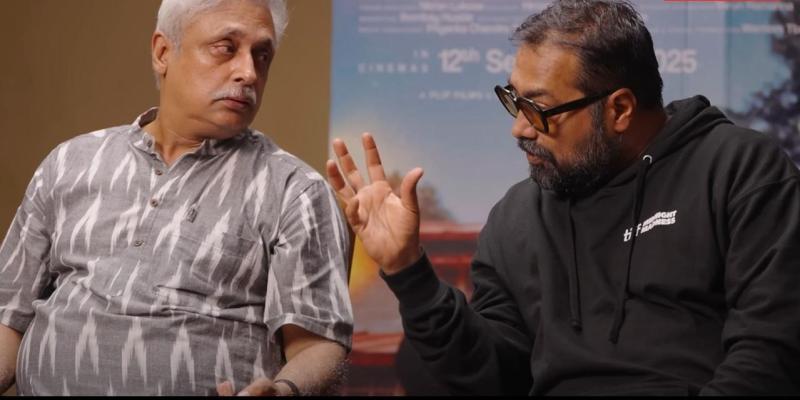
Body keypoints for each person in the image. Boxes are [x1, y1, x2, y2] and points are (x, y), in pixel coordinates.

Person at [326, 0, 800, 395]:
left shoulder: (739, 171)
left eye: (538, 109)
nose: (518, 128)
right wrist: (408, 271)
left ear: (619, 109)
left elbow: (769, 354)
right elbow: (489, 377)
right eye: (514, 101)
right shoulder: (516, 218)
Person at [0, 0, 353, 396]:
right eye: (226, 47)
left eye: (262, 55)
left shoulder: (294, 189)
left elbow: (318, 345)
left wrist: (285, 391)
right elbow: (8, 317)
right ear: (163, 52)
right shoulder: (70, 162)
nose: (249, 72)